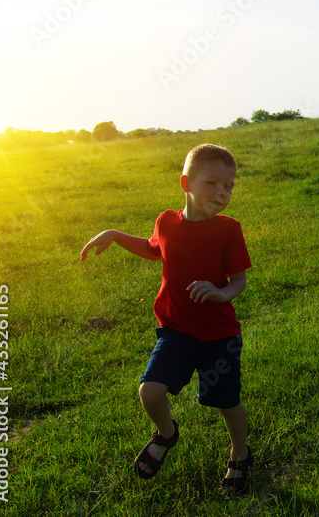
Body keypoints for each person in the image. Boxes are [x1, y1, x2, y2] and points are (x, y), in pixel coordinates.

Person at [80, 143, 254, 495]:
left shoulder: (228, 230)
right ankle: (166, 433)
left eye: (229, 186)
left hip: (218, 335)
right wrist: (114, 234)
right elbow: (151, 248)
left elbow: (239, 280)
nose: (221, 192)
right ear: (185, 183)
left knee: (226, 403)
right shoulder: (167, 221)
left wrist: (221, 292)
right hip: (175, 330)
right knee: (150, 390)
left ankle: (239, 453)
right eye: (213, 183)